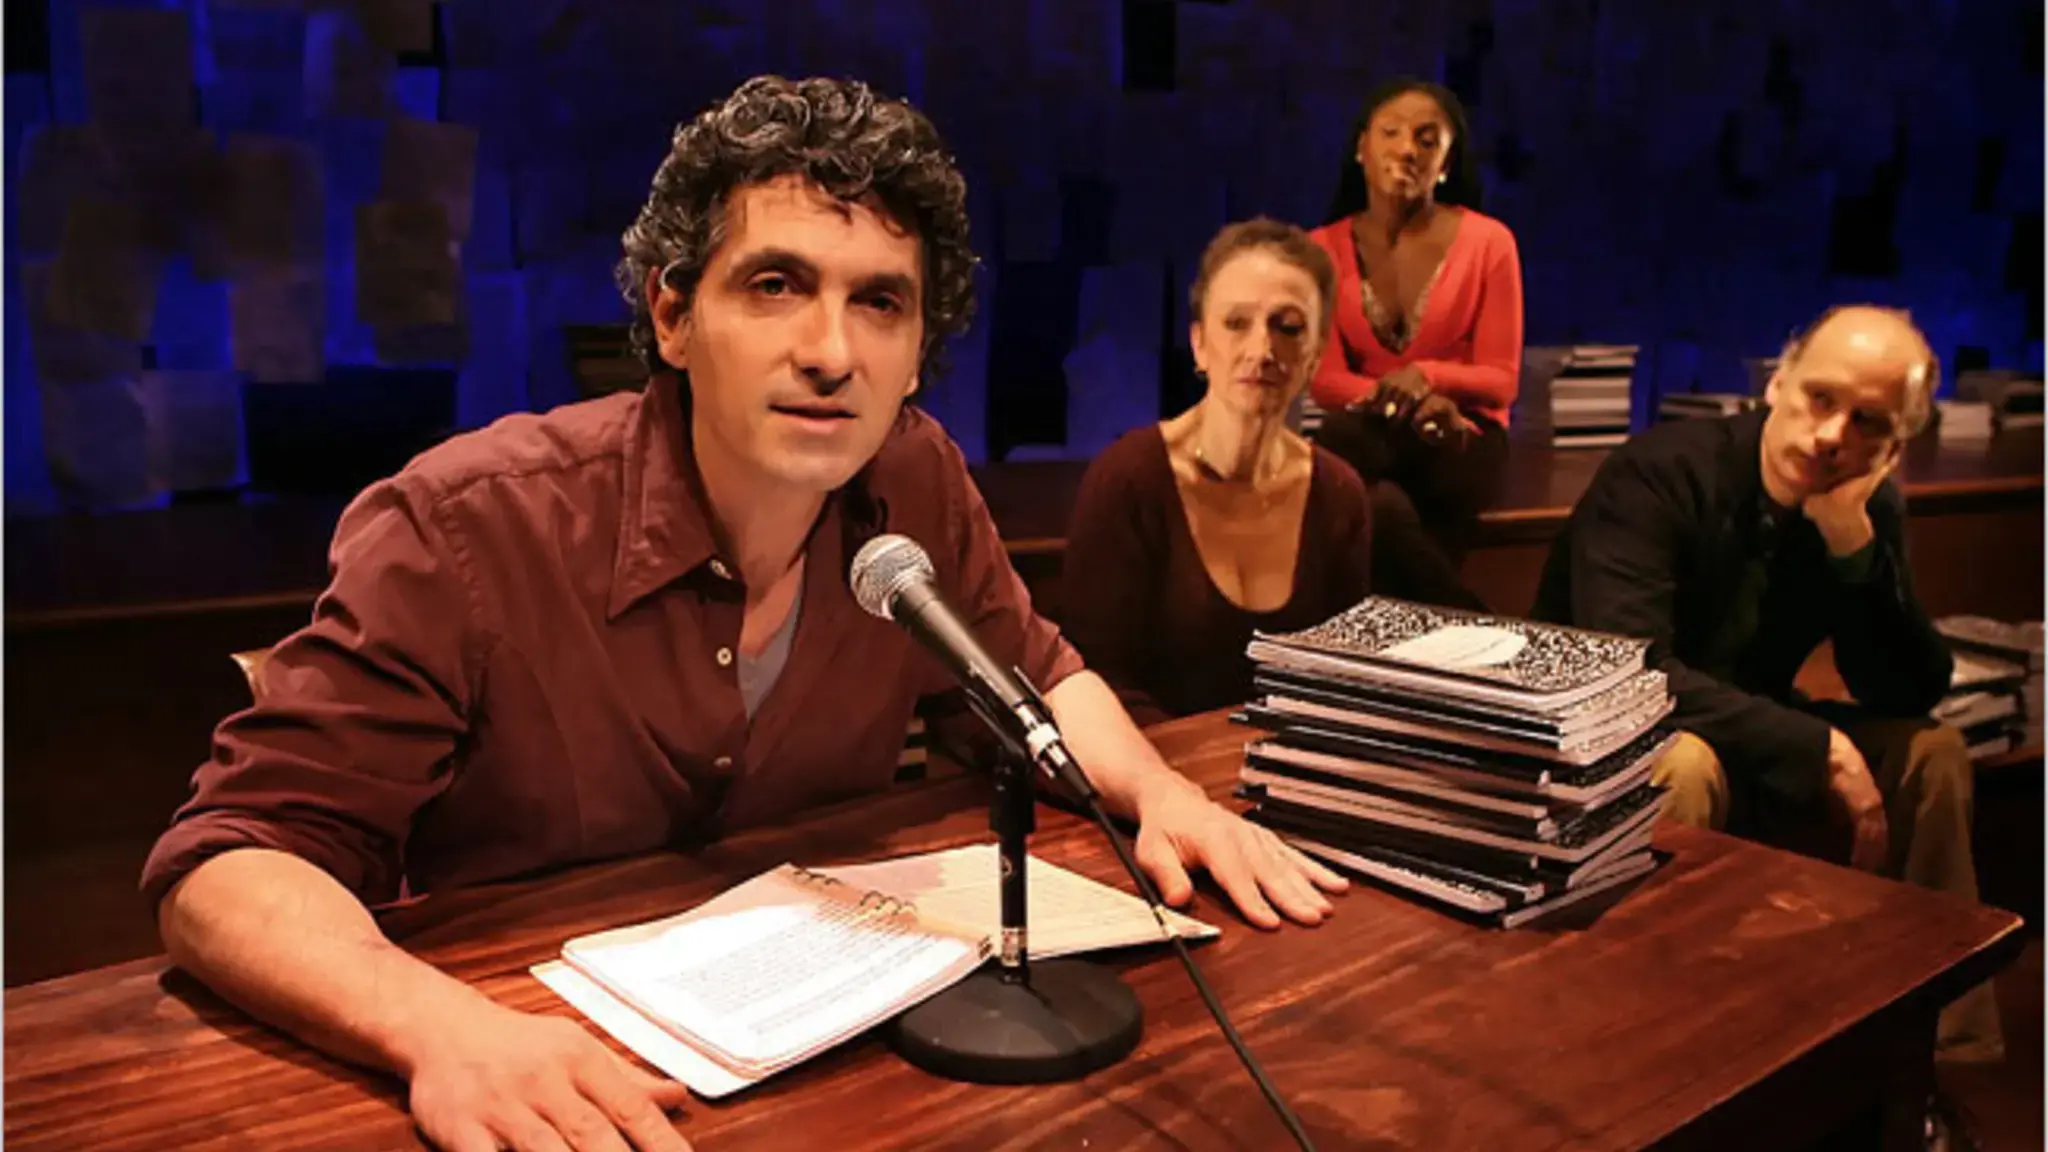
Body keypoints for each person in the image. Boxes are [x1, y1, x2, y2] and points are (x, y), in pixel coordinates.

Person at [140, 77, 1348, 1152]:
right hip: (539, 1068)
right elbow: (226, 867)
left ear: (919, 347)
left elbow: (1029, 665)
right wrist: (442, 1033)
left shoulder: (915, 476)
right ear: (671, 317)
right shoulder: (465, 525)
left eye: (880, 303)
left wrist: (1163, 794)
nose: (830, 351)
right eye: (775, 286)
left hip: (830, 1063)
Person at [1531, 305, 2002, 1070]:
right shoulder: (1660, 472)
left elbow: (1910, 687)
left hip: (1748, 730)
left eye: (1868, 424)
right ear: (1778, 381)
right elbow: (1634, 673)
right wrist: (1819, 746)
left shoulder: (1861, 504)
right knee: (1684, 762)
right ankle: (1644, 1048)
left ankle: (1938, 1063)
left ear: (1894, 447)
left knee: (1934, 753)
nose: (1831, 438)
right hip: (1609, 742)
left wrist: (1854, 549)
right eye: (1821, 399)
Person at [1062, 218, 1372, 726]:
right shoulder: (1128, 481)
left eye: (1288, 327)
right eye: (1236, 323)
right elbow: (1095, 683)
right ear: (1200, 343)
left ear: (1315, 356)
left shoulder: (1339, 495)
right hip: (1152, 781)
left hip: (1292, 784)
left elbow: (1339, 688)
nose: (1262, 351)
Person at [1307, 77, 1523, 611]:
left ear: (1447, 163)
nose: (1407, 149)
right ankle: (1465, 615)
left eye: (1427, 140)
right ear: (1362, 148)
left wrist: (1429, 379)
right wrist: (1401, 400)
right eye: (1392, 133)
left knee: (1361, 479)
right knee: (1369, 490)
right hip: (1373, 432)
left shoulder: (1490, 242)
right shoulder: (1321, 248)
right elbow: (1325, 379)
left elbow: (1501, 380)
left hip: (1459, 434)